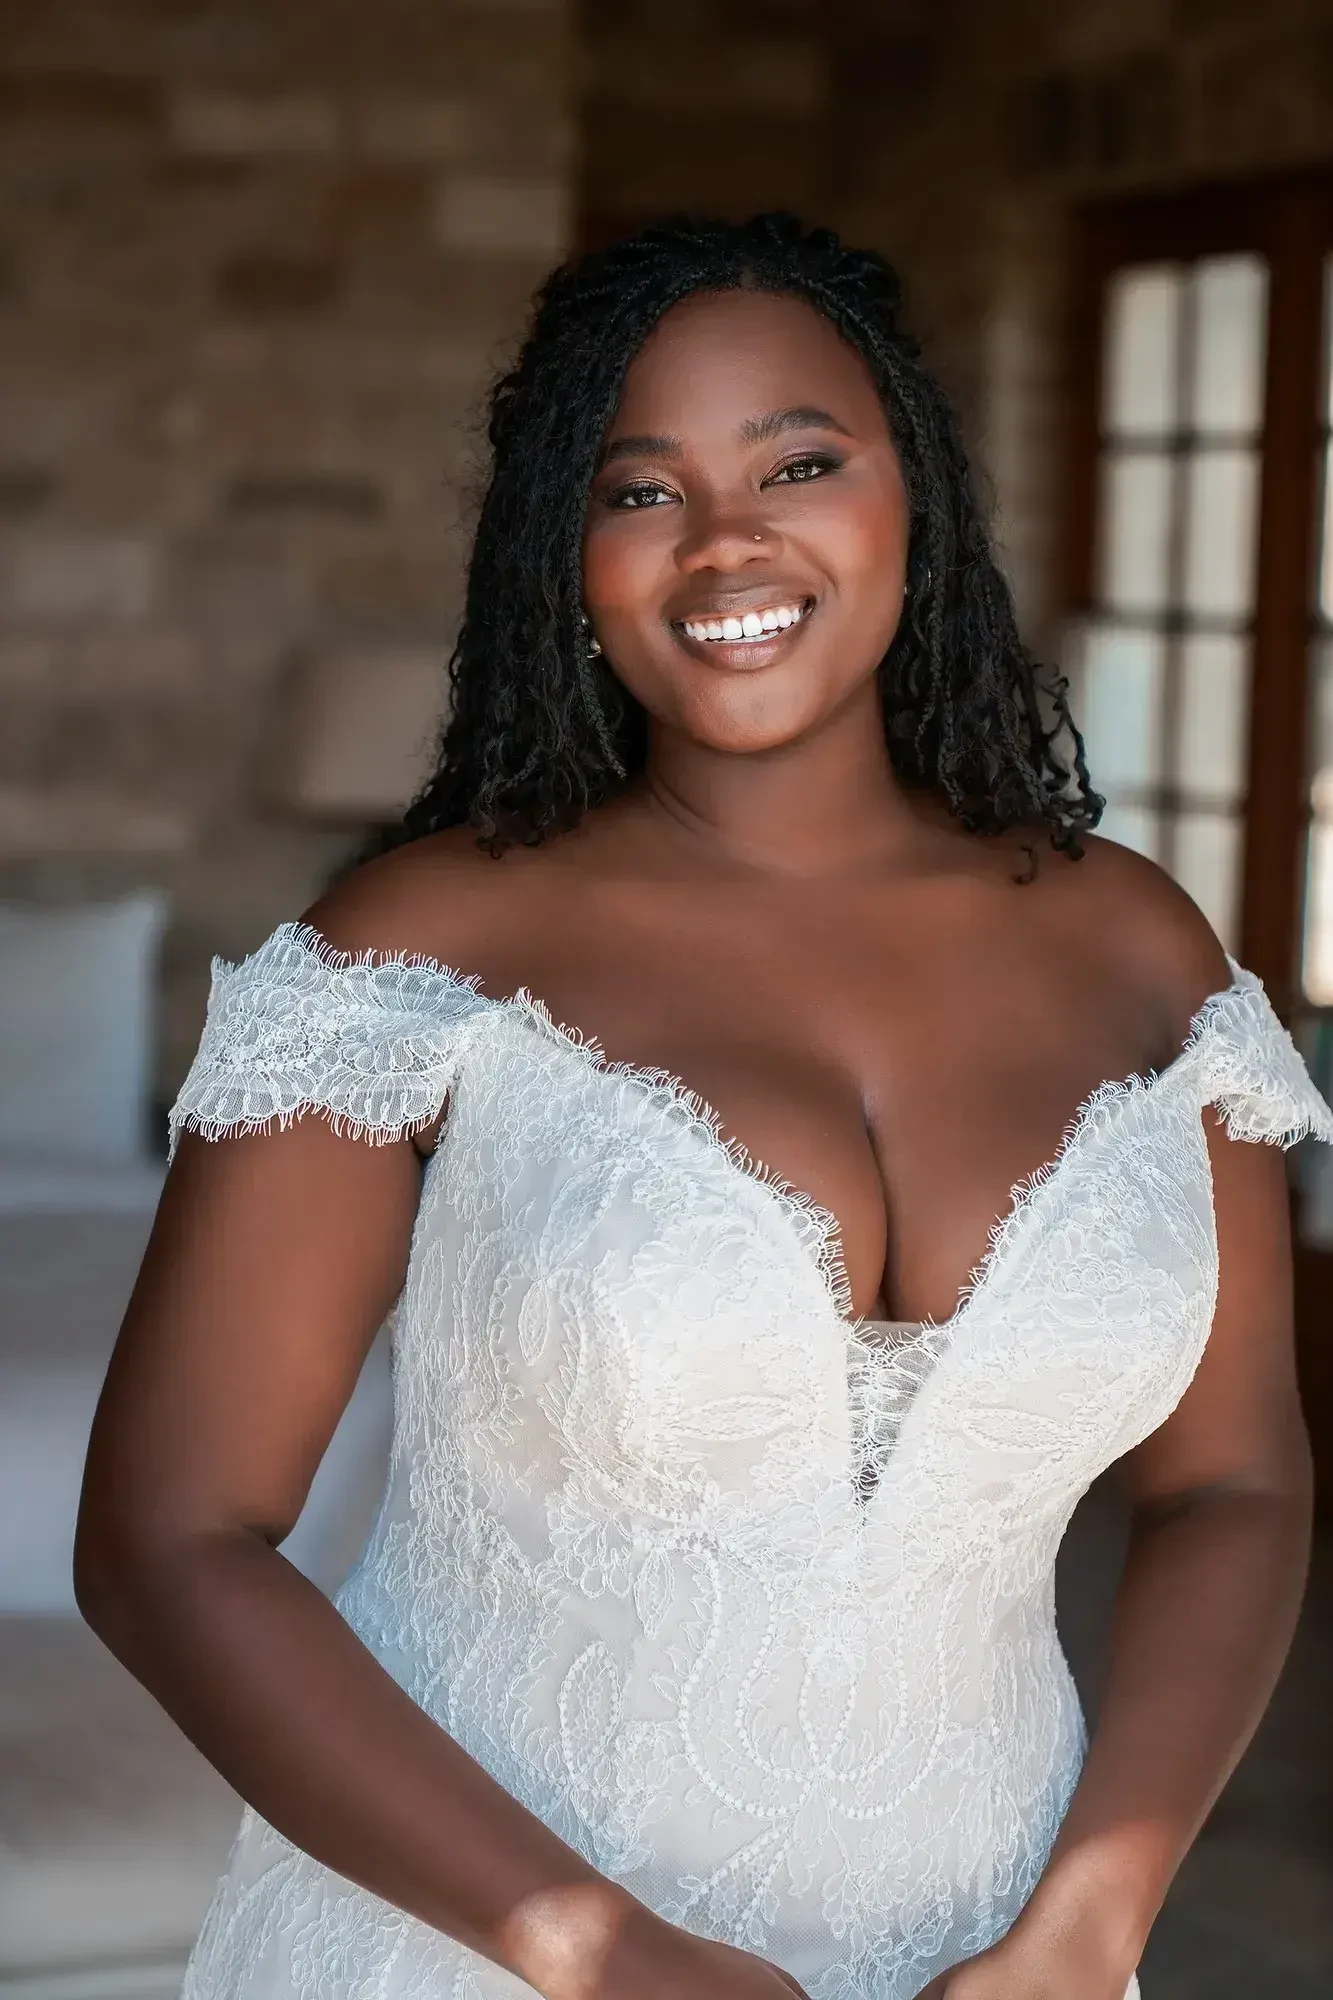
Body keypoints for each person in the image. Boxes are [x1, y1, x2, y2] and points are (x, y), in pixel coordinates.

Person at [76, 213, 1328, 2000]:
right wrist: (584, 1947)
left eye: (800, 461)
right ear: (563, 558)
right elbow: (165, 1540)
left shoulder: (1140, 948)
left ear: (918, 493)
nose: (730, 537)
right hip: (477, 1961)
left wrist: (1094, 1915)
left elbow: (1235, 1481)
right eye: (640, 488)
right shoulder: (418, 953)